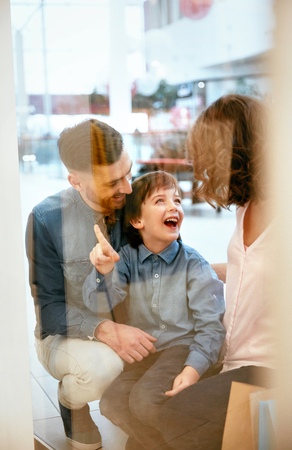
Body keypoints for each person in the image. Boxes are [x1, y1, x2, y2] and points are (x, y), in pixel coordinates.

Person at [154, 94, 277, 449]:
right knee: (149, 405)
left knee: (175, 417)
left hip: (269, 366)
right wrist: (194, 270)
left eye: (209, 159)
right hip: (234, 352)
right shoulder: (247, 206)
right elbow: (248, 267)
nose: (205, 171)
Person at [26, 119, 157, 450]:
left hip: (133, 325)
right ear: (76, 181)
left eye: (129, 172)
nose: (127, 188)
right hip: (68, 337)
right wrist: (105, 329)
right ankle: (73, 404)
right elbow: (50, 311)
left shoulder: (135, 202)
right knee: (103, 367)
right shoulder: (46, 219)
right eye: (113, 182)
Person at [82, 170, 226, 450]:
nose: (174, 206)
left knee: (145, 401)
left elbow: (211, 327)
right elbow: (98, 304)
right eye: (160, 201)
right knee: (111, 403)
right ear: (137, 220)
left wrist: (193, 369)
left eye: (178, 200)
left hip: (182, 349)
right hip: (145, 354)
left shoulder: (194, 264)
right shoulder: (123, 259)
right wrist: (104, 271)